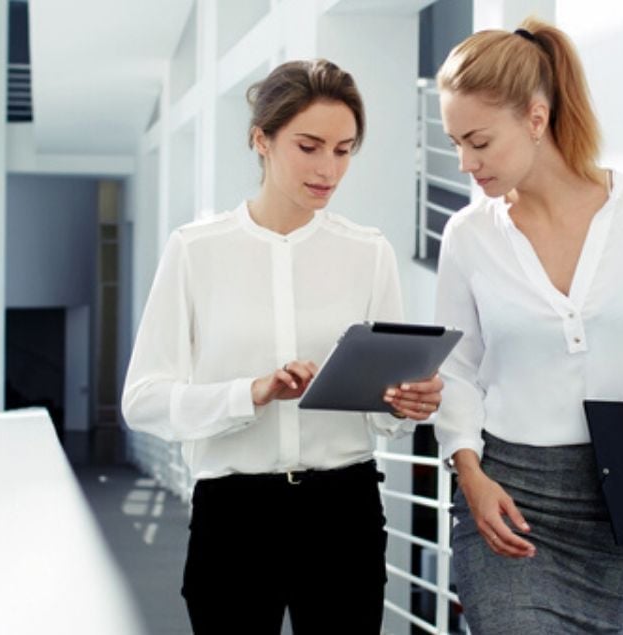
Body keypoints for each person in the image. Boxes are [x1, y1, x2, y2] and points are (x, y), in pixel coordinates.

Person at [121, 59, 443, 634]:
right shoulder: (196, 251)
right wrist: (250, 393)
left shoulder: (369, 254)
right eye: (310, 146)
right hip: (233, 515)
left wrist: (406, 402)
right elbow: (142, 398)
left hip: (344, 512)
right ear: (261, 140)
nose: (328, 169)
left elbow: (386, 417)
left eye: (344, 150)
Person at [432, 18, 623, 634]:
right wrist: (470, 474)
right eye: (455, 142)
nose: (464, 162)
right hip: (507, 500)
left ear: (535, 119)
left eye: (478, 142)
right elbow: (456, 370)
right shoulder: (468, 236)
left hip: (615, 507)